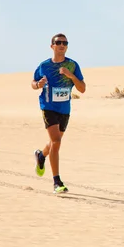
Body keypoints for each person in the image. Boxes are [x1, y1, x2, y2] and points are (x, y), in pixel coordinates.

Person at [31, 33, 86, 193]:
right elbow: (33, 83)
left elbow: (82, 89)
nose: (62, 45)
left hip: (64, 109)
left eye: (65, 43)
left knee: (55, 142)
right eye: (58, 42)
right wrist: (38, 84)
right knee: (56, 141)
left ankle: (41, 156)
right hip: (48, 106)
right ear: (52, 46)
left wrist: (70, 76)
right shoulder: (44, 66)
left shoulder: (73, 66)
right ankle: (57, 182)